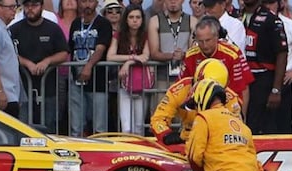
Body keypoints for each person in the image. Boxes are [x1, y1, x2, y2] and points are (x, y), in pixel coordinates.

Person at [150, 59, 290, 171]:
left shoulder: (230, 98)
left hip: (216, 144)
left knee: (253, 165)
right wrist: (166, 135)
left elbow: (238, 130)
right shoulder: (180, 88)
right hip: (184, 141)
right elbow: (158, 118)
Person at [11, 0, 69, 133]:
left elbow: (63, 53)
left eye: (34, 5)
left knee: (49, 129)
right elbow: (9, 54)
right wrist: (27, 63)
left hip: (49, 88)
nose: (30, 9)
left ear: (42, 6)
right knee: (23, 129)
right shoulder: (15, 29)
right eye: (27, 6)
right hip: (22, 90)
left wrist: (47, 61)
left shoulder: (53, 28)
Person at [183, 16, 254, 109]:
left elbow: (241, 89)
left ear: (217, 37)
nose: (204, 45)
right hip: (197, 105)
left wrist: (241, 115)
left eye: (208, 40)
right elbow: (182, 87)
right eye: (200, 41)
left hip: (227, 104)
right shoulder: (190, 56)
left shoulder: (232, 54)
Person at [67, 0, 114, 136]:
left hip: (97, 80)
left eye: (91, 1)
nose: (87, 5)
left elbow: (100, 48)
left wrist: (88, 66)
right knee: (76, 126)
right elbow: (70, 47)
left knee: (99, 126)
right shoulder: (76, 23)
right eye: (83, 1)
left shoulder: (103, 23)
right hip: (76, 80)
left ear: (97, 3)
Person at [243, 0, 290, 134]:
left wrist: (276, 89)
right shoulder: (236, 18)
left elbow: (282, 53)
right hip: (242, 79)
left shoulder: (271, 20)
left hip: (263, 79)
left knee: (261, 126)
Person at [107, 5, 150, 134]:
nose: (135, 20)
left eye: (138, 17)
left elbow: (145, 56)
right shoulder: (119, 35)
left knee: (139, 126)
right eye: (131, 17)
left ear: (142, 19)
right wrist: (133, 57)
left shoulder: (146, 35)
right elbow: (110, 56)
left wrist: (128, 63)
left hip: (142, 84)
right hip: (124, 84)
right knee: (126, 127)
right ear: (126, 19)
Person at [148, 0, 196, 113]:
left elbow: (193, 51)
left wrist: (183, 55)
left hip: (185, 78)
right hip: (161, 78)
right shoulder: (155, 21)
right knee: (161, 114)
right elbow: (154, 52)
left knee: (183, 116)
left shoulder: (192, 21)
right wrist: (172, 56)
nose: (173, 1)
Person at [0, 0, 24, 117]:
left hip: (10, 93)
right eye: (10, 7)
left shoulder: (3, 28)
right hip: (3, 96)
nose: (14, 10)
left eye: (15, 7)